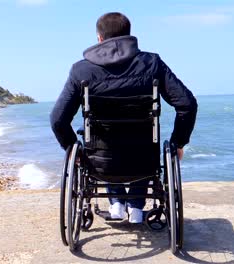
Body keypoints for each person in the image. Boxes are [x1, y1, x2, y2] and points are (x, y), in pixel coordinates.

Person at [50, 12, 197, 223]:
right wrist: (178, 143)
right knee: (138, 140)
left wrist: (73, 149)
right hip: (144, 160)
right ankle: (136, 208)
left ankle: (116, 203)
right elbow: (187, 104)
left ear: (99, 38)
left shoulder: (81, 70)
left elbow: (57, 119)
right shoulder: (153, 63)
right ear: (129, 35)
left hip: (100, 162)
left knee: (106, 141)